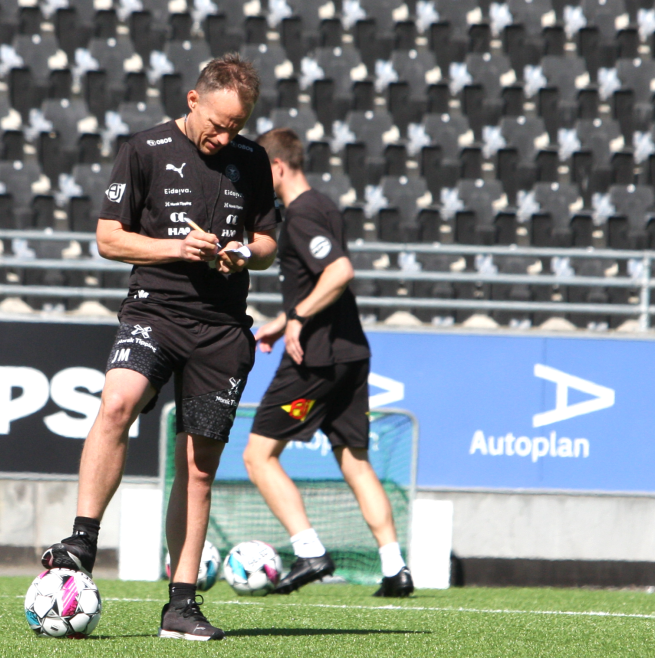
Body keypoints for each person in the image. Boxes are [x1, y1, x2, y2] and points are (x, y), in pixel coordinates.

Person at [39, 54, 280, 641]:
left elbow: (269, 242)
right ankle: (83, 540)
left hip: (221, 328)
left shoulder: (252, 161)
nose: (225, 137)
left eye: (238, 126)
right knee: (117, 402)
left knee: (198, 469)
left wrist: (243, 253)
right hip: (154, 311)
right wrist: (176, 248)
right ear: (194, 100)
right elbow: (108, 238)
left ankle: (181, 605)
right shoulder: (143, 148)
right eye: (218, 124)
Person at [242, 128, 413, 597]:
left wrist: (297, 317)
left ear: (277, 167)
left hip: (315, 361)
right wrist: (283, 320)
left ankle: (309, 550)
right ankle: (395, 568)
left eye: (259, 171)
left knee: (258, 456)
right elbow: (323, 282)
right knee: (355, 461)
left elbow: (339, 271)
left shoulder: (300, 215)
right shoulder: (325, 205)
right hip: (351, 354)